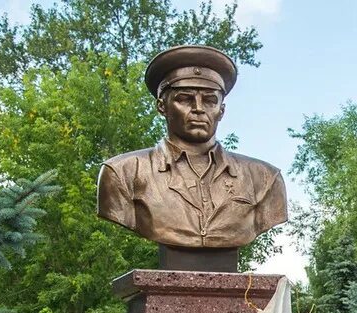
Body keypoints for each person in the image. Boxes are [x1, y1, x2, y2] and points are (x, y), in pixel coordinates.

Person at [97, 45, 287, 252]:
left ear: (221, 110)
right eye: (184, 99)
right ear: (162, 106)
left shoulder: (265, 179)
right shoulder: (123, 173)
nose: (198, 108)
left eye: (209, 100)